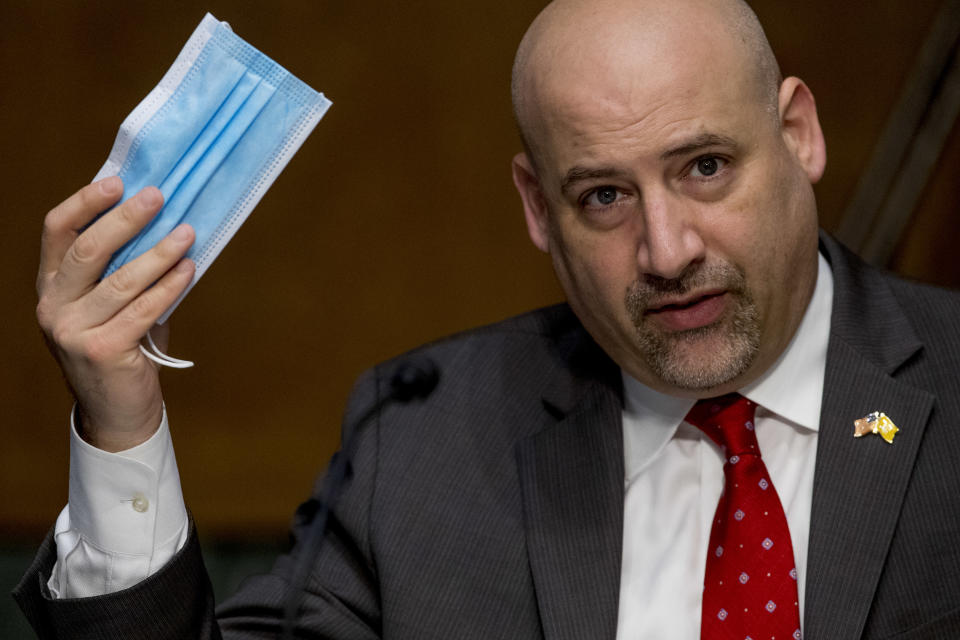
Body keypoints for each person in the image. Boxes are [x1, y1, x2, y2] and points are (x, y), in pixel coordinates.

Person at [15, 0, 960, 637]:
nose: (667, 251)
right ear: (538, 210)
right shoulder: (423, 440)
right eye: (601, 197)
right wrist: (123, 424)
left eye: (704, 167)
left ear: (798, 135)